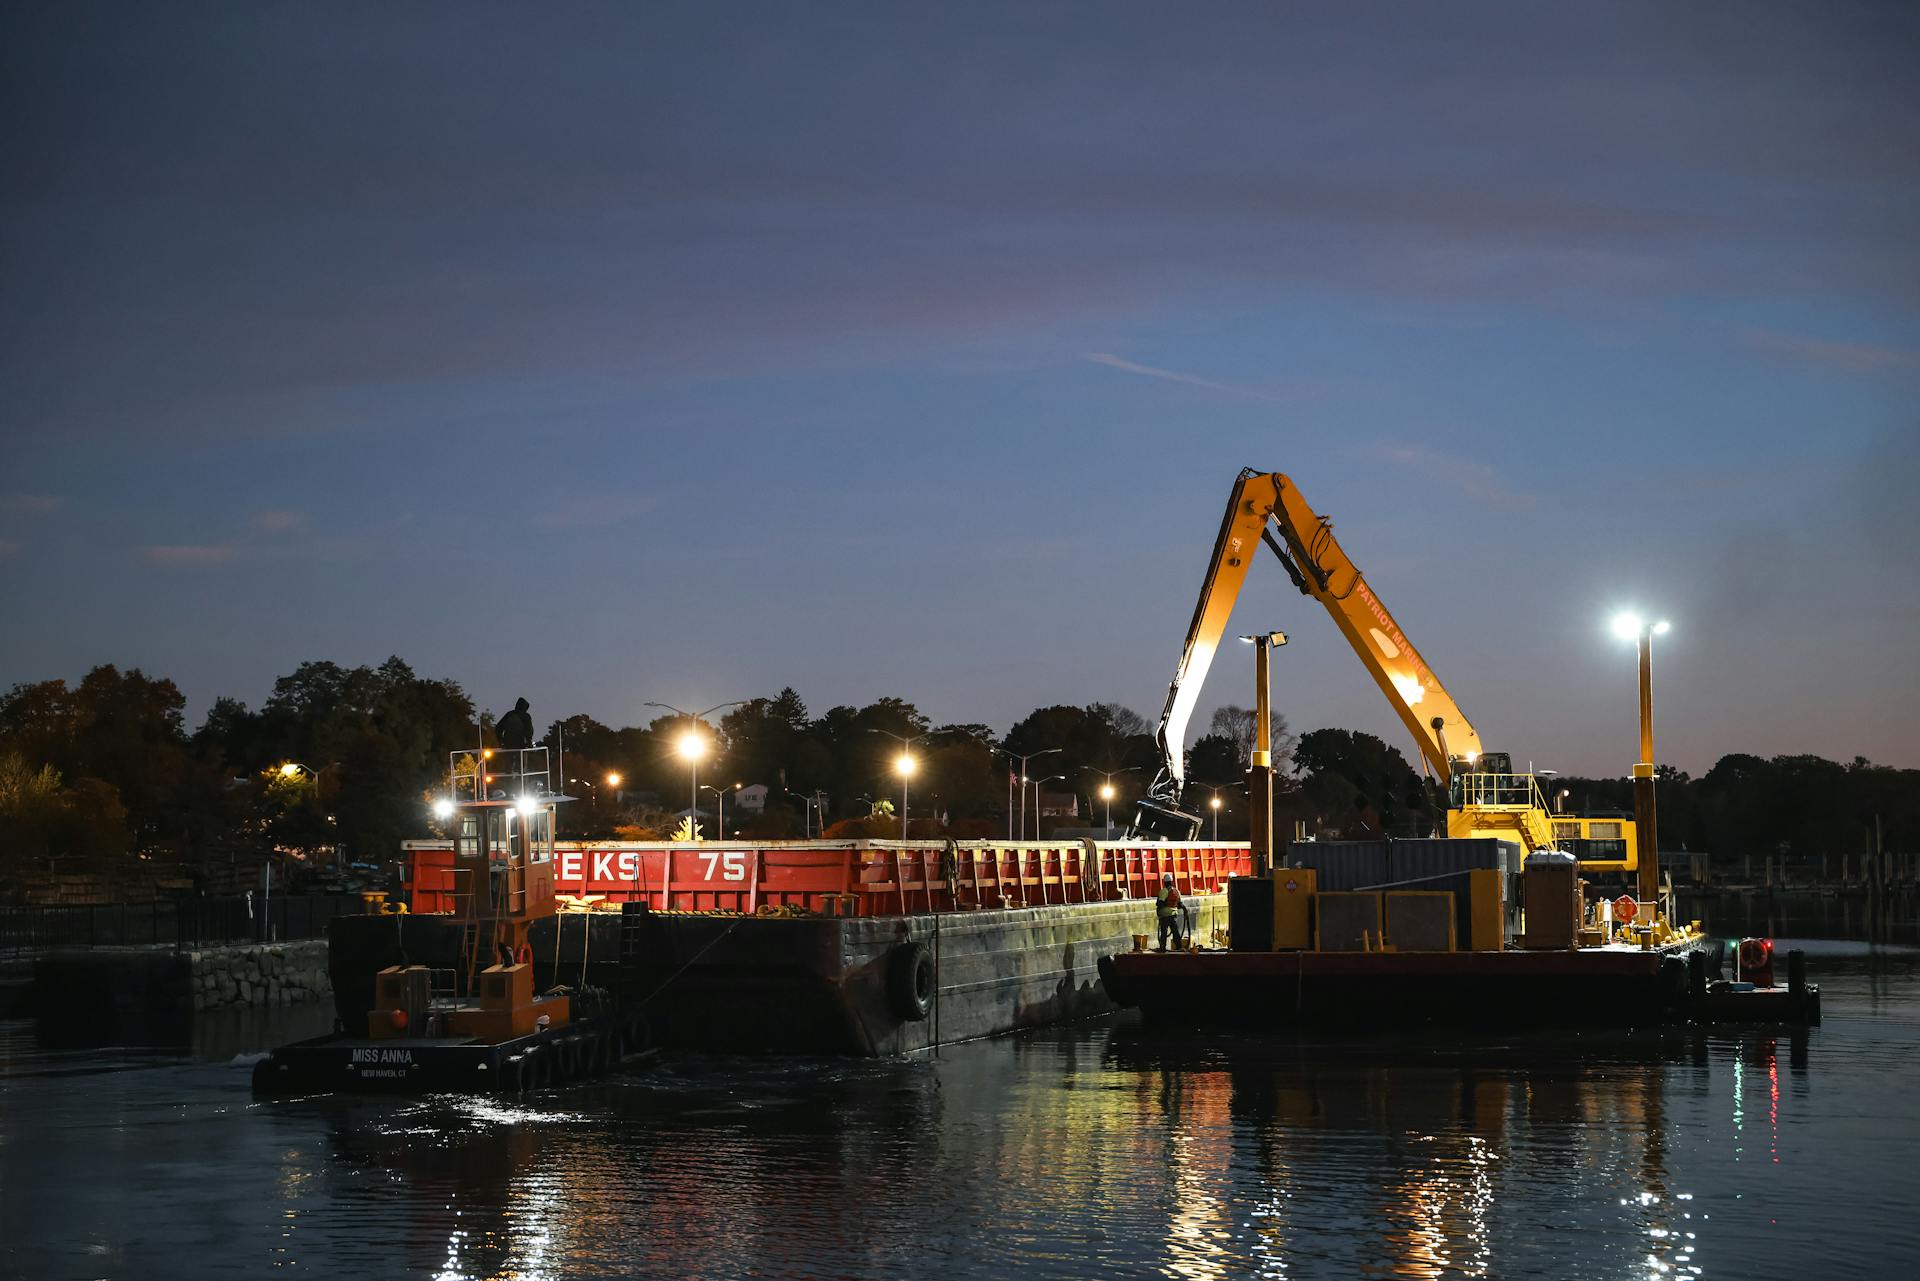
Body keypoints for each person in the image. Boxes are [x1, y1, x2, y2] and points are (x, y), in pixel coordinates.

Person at [1156, 871, 1185, 952]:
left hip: (1164, 915)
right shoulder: (1176, 891)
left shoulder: (1164, 891)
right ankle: (1179, 946)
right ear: (1172, 881)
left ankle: (1163, 947)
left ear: (1164, 882)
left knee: (1164, 932)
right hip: (1174, 915)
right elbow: (1180, 904)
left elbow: (1160, 903)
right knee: (1175, 931)